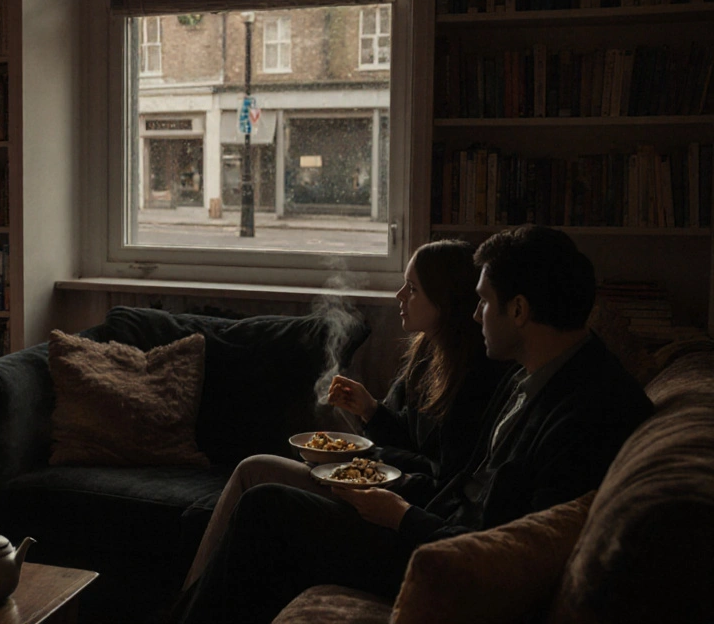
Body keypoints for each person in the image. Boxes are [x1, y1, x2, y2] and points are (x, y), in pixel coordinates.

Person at [177, 225, 654, 624]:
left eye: (484, 301)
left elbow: (499, 547)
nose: (474, 313)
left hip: (439, 554)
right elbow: (459, 478)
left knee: (267, 507)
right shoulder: (534, 376)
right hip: (431, 523)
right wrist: (395, 486)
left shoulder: (590, 411)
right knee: (267, 505)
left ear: (519, 310)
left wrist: (401, 514)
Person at [180, 239, 510, 592]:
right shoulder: (426, 354)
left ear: (446, 300)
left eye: (412, 289)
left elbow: (443, 477)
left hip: (395, 502)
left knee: (258, 486)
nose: (399, 295)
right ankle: (190, 595)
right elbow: (409, 437)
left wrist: (364, 460)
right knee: (253, 467)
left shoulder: (474, 379)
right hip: (376, 484)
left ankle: (192, 602)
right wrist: (369, 409)